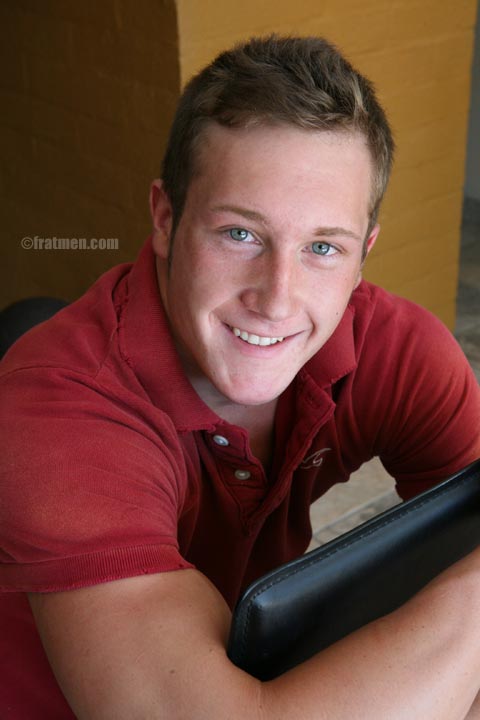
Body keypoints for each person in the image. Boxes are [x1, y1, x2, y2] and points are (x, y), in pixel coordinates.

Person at [1, 35, 479, 719]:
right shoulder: (57, 408)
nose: (277, 298)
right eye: (240, 234)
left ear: (363, 254)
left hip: (251, 666)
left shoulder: (397, 353)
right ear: (166, 218)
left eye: (322, 247)